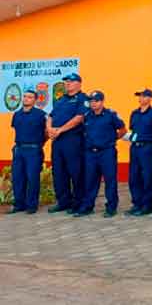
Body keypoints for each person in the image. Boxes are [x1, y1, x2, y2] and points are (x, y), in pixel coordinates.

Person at [76, 91, 126, 217]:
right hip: (91, 153)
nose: (93, 103)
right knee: (90, 180)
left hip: (106, 152)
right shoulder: (87, 116)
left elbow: (122, 129)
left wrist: (112, 140)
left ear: (102, 101)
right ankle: (88, 206)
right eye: (91, 101)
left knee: (110, 180)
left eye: (96, 101)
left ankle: (111, 207)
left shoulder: (111, 115)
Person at [46, 72, 88, 214]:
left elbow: (79, 118)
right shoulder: (61, 100)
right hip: (57, 141)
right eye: (66, 82)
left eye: (70, 81)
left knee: (75, 171)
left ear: (78, 83)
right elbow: (50, 116)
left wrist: (60, 130)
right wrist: (50, 129)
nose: (67, 83)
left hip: (73, 140)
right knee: (58, 172)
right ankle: (63, 201)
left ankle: (79, 202)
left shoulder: (82, 99)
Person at [9, 89, 47, 214]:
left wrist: (39, 144)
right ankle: (19, 204)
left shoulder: (41, 115)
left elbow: (47, 132)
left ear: (35, 100)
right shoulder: (17, 114)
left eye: (30, 97)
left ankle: (31, 205)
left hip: (33, 150)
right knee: (18, 178)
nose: (26, 99)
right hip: (19, 150)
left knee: (32, 178)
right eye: (25, 96)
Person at [126, 89, 152, 216]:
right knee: (134, 177)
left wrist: (151, 142)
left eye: (143, 96)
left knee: (148, 177)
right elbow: (133, 130)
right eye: (139, 96)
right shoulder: (134, 113)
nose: (140, 98)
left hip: (148, 148)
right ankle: (137, 203)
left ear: (150, 98)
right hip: (135, 148)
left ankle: (147, 205)